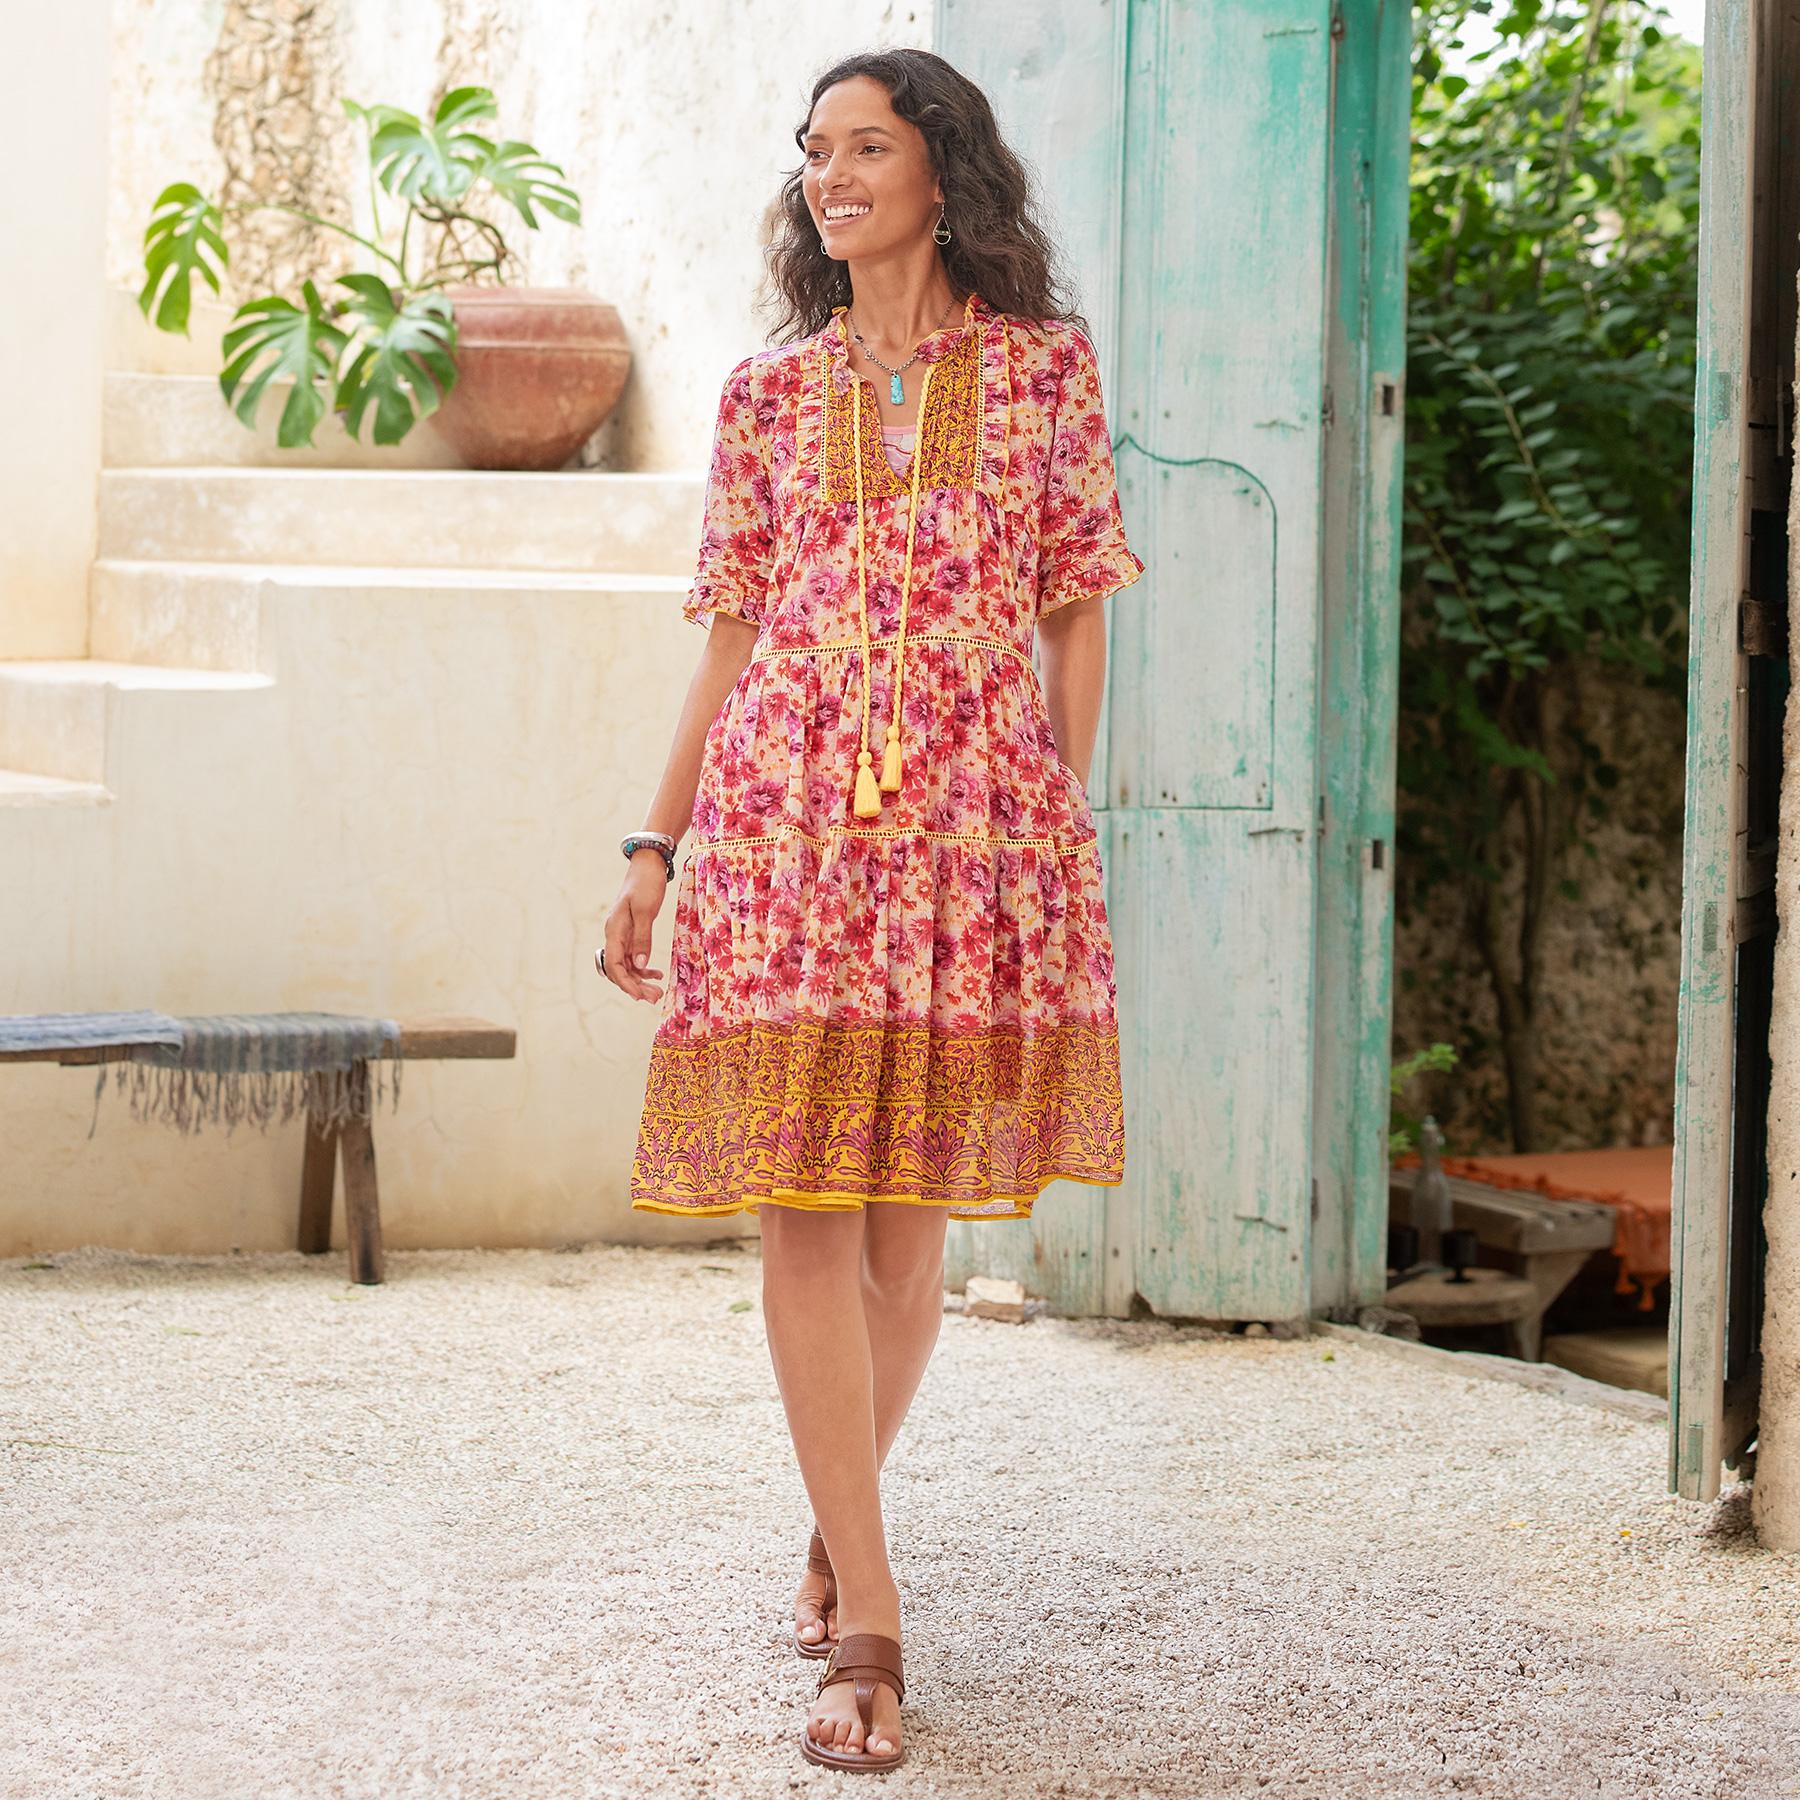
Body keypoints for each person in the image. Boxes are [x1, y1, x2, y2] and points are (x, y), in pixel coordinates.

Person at [598, 46, 1143, 1775]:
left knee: (911, 1242)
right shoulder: (768, 396)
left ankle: (840, 1523)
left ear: (941, 169)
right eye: (813, 152)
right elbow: (730, 644)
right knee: (805, 1215)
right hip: (788, 832)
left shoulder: (1045, 374)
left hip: (971, 834)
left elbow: (1076, 605)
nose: (829, 177)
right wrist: (655, 846)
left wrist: (1051, 816)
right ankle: (872, 1620)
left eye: (865, 147)